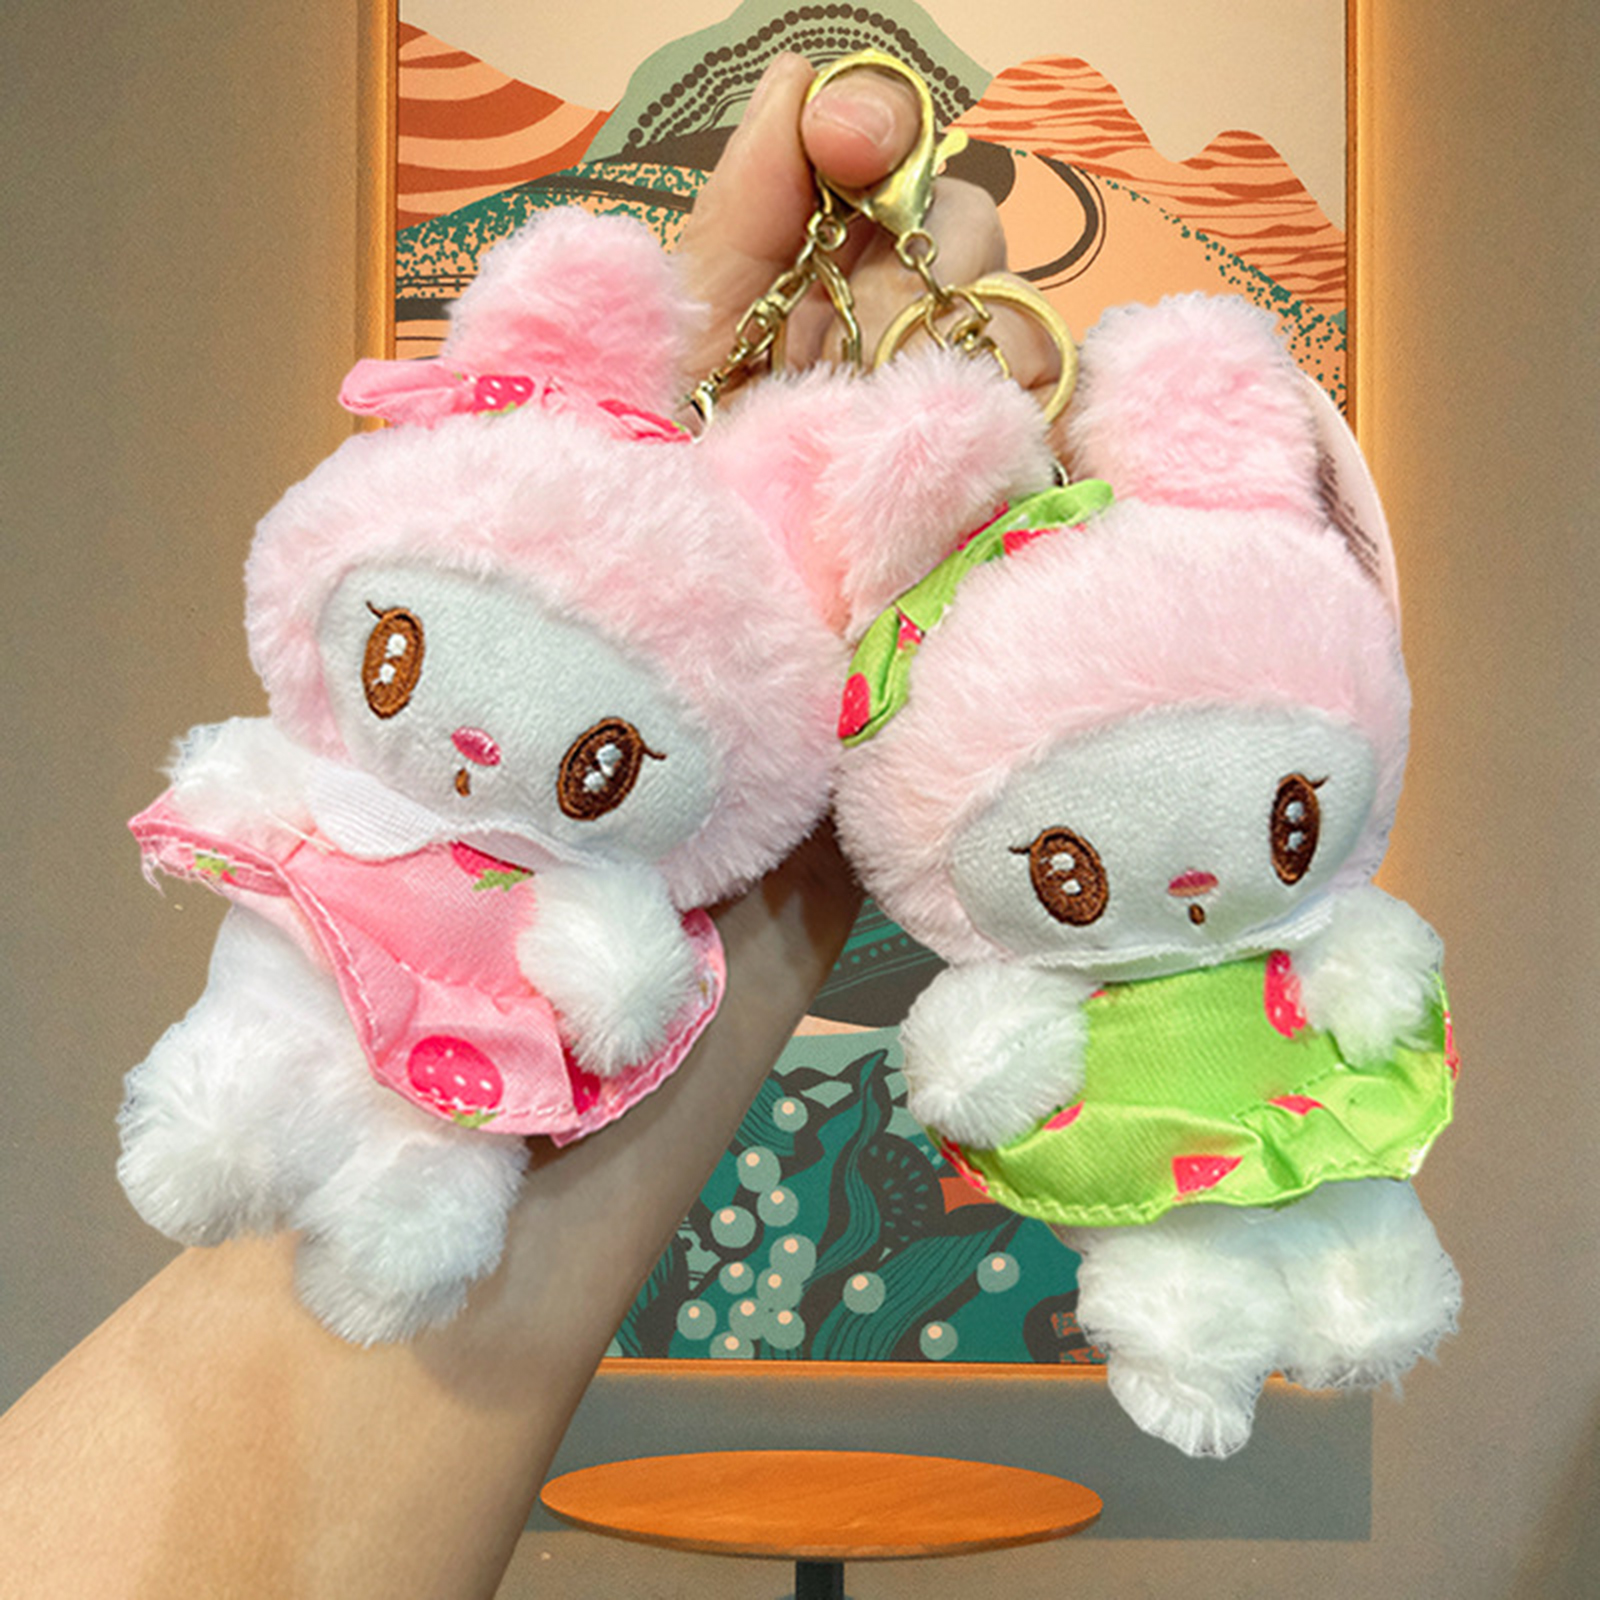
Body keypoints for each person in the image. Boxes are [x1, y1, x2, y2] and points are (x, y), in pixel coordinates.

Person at [0, 53, 1061, 1599]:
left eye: (600, 758)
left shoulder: (712, 755)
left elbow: (625, 977)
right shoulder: (362, 756)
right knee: (255, 1078)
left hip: (491, 1060)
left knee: (427, 1179)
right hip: (330, 992)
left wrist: (744, 898)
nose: (490, 740)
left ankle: (381, 1195)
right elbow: (246, 781)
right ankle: (236, 1125)